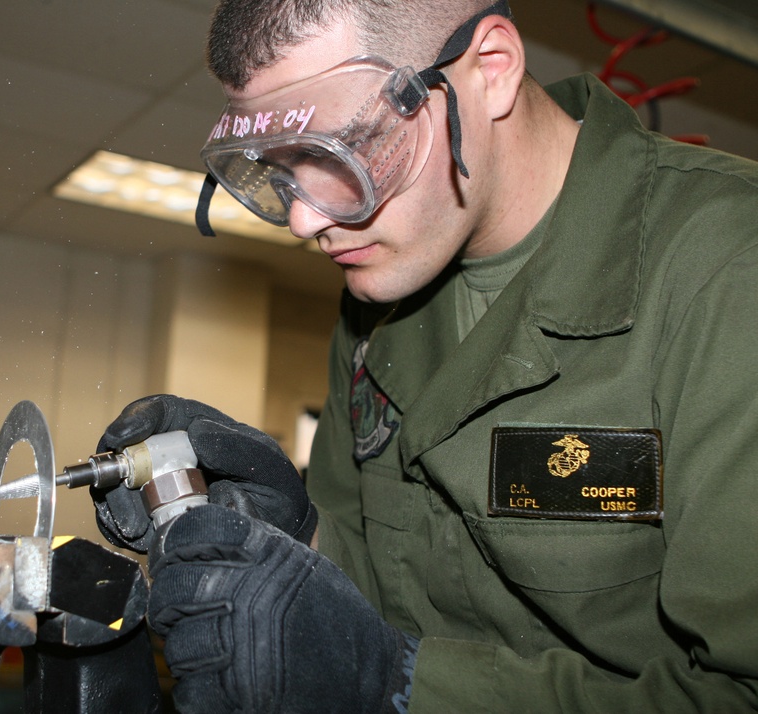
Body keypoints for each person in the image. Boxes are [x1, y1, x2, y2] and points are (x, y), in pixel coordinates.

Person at [92, 0, 758, 711]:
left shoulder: (728, 267)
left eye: (339, 151)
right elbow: (392, 595)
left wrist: (398, 685)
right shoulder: (377, 296)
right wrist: (296, 537)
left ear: (491, 71)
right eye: (279, 173)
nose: (305, 220)